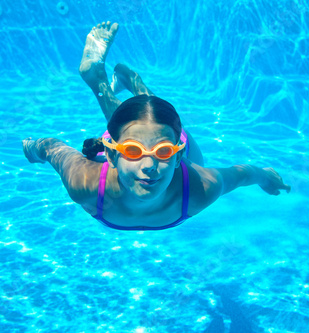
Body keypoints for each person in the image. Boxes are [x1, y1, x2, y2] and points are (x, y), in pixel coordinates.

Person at [23, 21, 291, 231]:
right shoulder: (87, 183)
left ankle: (106, 80)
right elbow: (52, 149)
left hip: (151, 147)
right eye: (133, 152)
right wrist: (33, 149)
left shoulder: (200, 188)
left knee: (146, 117)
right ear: (113, 156)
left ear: (176, 157)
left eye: (163, 153)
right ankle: (113, 80)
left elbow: (242, 175)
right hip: (132, 147)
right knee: (143, 117)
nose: (149, 165)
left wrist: (265, 176)